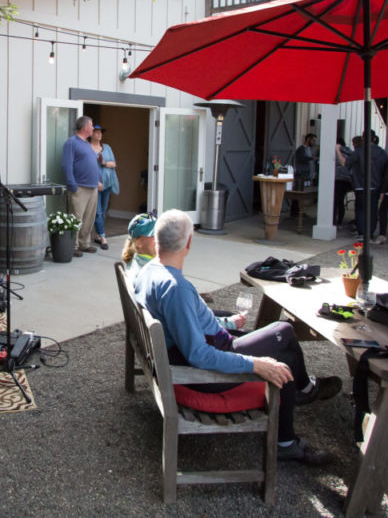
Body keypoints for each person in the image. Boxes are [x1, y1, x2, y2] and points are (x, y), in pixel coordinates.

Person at [133, 209, 341, 464]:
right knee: (284, 334)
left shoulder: (149, 270)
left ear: (156, 239)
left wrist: (223, 322)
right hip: (199, 372)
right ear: (188, 244)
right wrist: (255, 364)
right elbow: (199, 355)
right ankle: (292, 424)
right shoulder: (176, 288)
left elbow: (185, 323)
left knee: (278, 340)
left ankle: (301, 395)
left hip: (182, 351)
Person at [61, 115, 101, 256]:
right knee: (76, 218)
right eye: (91, 125)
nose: (93, 128)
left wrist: (97, 181)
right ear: (85, 127)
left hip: (92, 187)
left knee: (89, 219)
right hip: (79, 187)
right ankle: (73, 246)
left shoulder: (86, 144)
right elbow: (66, 165)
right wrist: (72, 185)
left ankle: (84, 244)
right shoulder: (71, 143)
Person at [342, 134, 387, 241]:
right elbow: (386, 168)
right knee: (372, 210)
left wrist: (338, 150)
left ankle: (362, 233)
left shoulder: (359, 151)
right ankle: (370, 233)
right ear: (374, 139)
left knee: (360, 210)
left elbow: (346, 163)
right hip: (375, 186)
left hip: (360, 185)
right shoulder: (381, 153)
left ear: (363, 138)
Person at [89, 124, 119, 250]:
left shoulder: (106, 147)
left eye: (101, 132)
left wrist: (104, 163)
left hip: (107, 184)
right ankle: (103, 237)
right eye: (97, 132)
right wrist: (96, 182)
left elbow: (114, 164)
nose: (100, 134)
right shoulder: (88, 148)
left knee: (103, 211)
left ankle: (97, 235)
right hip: (95, 185)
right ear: (91, 134)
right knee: (98, 212)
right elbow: (87, 168)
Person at [121, 212, 157, 281]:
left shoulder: (137, 259)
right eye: (153, 235)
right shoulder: (150, 271)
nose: (159, 238)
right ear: (138, 243)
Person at [290, 133, 317, 216]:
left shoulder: (309, 149)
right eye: (313, 140)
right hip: (300, 175)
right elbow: (302, 158)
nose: (314, 142)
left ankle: (299, 211)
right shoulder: (301, 149)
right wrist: (313, 158)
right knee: (298, 194)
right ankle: (295, 212)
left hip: (307, 175)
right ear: (308, 139)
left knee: (303, 195)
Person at [333, 138, 353, 228]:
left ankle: (334, 221)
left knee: (335, 202)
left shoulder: (336, 151)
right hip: (347, 179)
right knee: (340, 201)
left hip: (337, 178)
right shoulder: (349, 152)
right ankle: (340, 221)